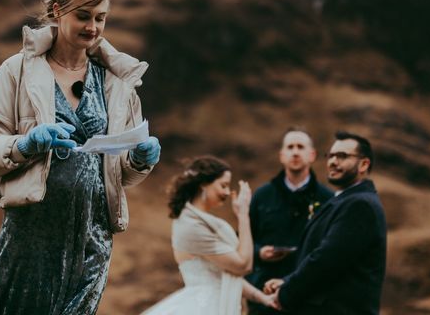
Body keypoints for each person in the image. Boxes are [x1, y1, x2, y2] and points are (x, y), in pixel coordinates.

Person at [0, 0, 161, 315]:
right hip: (32, 235)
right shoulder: (17, 71)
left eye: (101, 18)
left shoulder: (118, 83)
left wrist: (140, 161)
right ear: (57, 11)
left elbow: (122, 174)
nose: (93, 27)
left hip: (93, 236)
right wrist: (25, 145)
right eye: (83, 16)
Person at [263, 131, 387, 315]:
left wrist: (286, 294)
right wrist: (288, 281)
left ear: (364, 164)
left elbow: (327, 260)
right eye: (331, 155)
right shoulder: (344, 200)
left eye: (342, 156)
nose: (333, 162)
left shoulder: (360, 205)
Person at [142, 156, 276, 315]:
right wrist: (243, 215)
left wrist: (263, 298)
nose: (227, 192)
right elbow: (242, 266)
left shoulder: (199, 222)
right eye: (223, 185)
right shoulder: (192, 226)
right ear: (204, 184)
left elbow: (226, 276)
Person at [246, 128, 333, 314]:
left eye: (300, 147)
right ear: (281, 155)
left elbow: (331, 247)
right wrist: (260, 252)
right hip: (264, 293)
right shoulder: (262, 196)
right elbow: (243, 240)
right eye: (290, 147)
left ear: (312, 155)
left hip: (309, 296)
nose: (295, 152)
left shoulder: (327, 199)